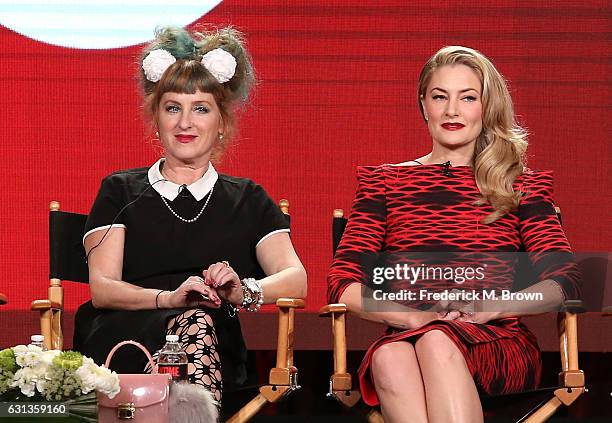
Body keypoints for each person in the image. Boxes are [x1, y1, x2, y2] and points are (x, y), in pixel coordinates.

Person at [327, 46, 580, 423]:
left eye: (467, 98)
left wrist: (494, 306)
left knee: (437, 340)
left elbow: (567, 282)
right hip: (409, 336)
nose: (452, 111)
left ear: (486, 106)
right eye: (440, 97)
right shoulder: (385, 183)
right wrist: (412, 318)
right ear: (423, 104)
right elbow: (341, 283)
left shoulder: (520, 185)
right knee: (388, 355)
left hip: (497, 341)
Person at [73, 26, 307, 404]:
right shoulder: (120, 190)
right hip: (125, 339)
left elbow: (296, 280)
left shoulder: (248, 198)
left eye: (200, 109)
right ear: (157, 117)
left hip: (212, 342)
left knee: (199, 324)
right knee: (194, 321)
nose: (185, 123)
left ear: (222, 123)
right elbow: (103, 288)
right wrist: (171, 299)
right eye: (172, 108)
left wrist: (243, 290)